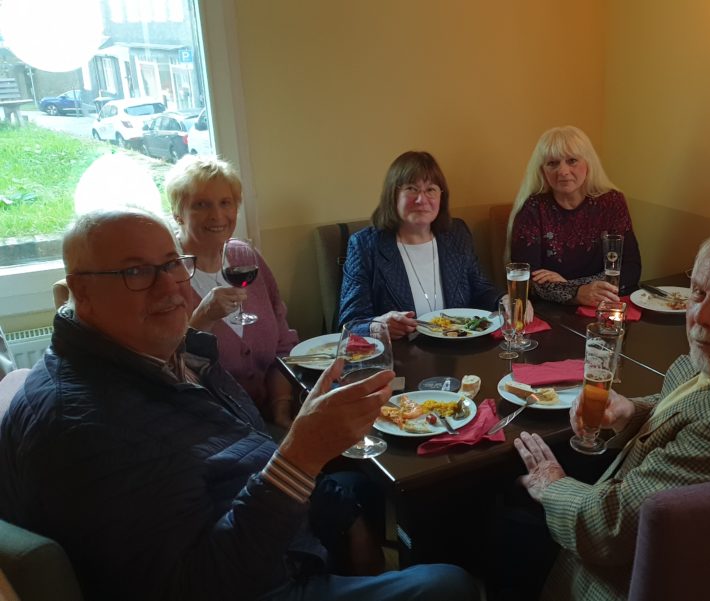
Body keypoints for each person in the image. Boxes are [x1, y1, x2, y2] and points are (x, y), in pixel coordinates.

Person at [0, 209, 479, 601]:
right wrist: (300, 456)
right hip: (253, 579)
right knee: (449, 585)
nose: (170, 286)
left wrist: (305, 441)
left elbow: (235, 445)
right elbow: (204, 583)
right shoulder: (85, 427)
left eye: (171, 263)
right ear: (81, 291)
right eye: (135, 272)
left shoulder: (155, 358)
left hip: (259, 527)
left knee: (359, 486)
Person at [507, 223, 710, 601]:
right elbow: (695, 406)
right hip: (672, 537)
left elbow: (609, 530)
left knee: (500, 518)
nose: (701, 317)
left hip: (622, 579)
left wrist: (552, 483)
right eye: (700, 292)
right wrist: (630, 412)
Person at [165, 155, 299, 428]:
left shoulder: (245, 257)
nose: (217, 215)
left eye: (225, 203)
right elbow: (168, 372)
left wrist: (281, 406)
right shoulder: (166, 276)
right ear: (178, 213)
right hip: (213, 428)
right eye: (201, 205)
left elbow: (283, 343)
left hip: (272, 412)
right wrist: (202, 321)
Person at [338, 151, 503, 338]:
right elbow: (349, 323)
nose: (421, 199)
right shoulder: (364, 246)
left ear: (442, 196)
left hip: (457, 354)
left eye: (431, 189)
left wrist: (505, 301)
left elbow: (480, 287)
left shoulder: (456, 234)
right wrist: (377, 326)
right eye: (412, 189)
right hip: (400, 358)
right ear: (393, 195)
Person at [508, 125, 641, 306]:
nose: (563, 171)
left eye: (572, 161)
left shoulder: (612, 202)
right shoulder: (532, 208)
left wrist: (571, 287)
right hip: (554, 314)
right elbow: (528, 280)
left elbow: (631, 267)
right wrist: (578, 293)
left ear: (588, 163)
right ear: (542, 170)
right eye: (552, 163)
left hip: (605, 305)